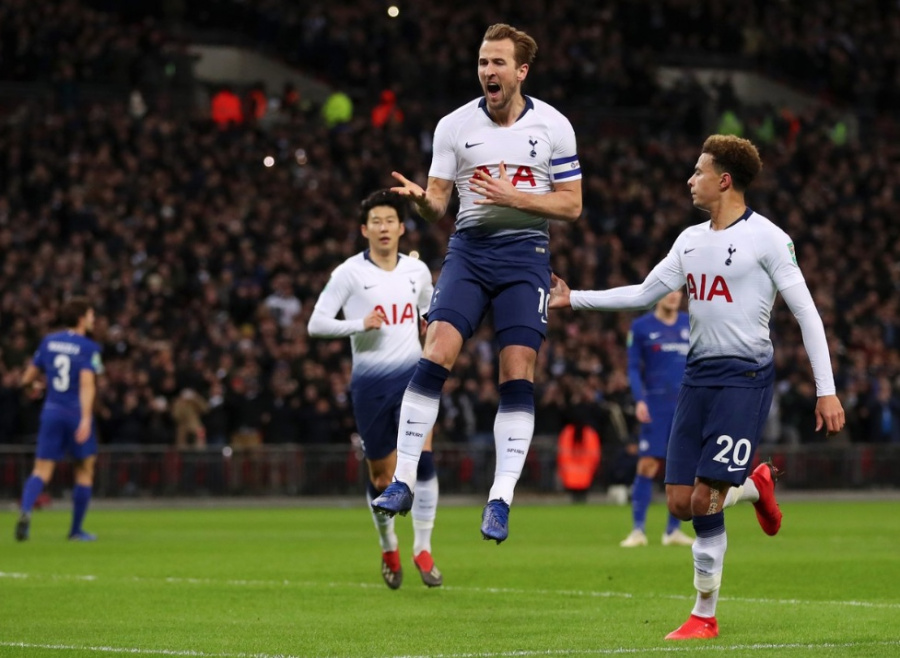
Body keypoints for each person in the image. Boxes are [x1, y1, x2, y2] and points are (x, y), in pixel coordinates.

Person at [549, 135, 844, 639]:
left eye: (698, 171)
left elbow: (807, 314)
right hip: (697, 377)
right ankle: (755, 487)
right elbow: (645, 292)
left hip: (744, 379)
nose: (690, 179)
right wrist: (575, 297)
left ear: (724, 180)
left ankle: (704, 615)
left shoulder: (769, 239)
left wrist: (827, 388)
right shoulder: (688, 240)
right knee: (683, 503)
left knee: (706, 499)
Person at [371, 23, 582, 544]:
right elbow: (441, 203)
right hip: (470, 252)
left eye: (498, 63)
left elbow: (572, 204)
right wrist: (422, 201)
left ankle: (501, 498)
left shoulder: (554, 126)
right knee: (435, 349)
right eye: (483, 62)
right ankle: (401, 481)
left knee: (518, 369)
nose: (488, 70)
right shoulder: (454, 126)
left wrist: (515, 197)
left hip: (525, 256)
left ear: (521, 71)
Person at [307, 189, 442, 589]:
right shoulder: (349, 273)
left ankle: (423, 547)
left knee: (423, 457)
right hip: (370, 385)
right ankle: (388, 545)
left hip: (415, 378)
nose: (383, 228)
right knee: (383, 479)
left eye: (390, 221)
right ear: (364, 230)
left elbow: (429, 310)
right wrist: (359, 324)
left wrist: (430, 325)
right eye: (376, 222)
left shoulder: (416, 272)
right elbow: (316, 324)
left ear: (402, 228)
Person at [15, 296, 104, 542]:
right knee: (84, 470)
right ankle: (75, 530)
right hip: (75, 413)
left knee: (41, 469)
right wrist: (86, 418)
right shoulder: (89, 347)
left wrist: (33, 386)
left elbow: (26, 380)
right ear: (80, 318)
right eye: (90, 315)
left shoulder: (48, 341)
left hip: (51, 411)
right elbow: (87, 384)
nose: (93, 319)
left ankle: (25, 512)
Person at [620, 290, 695, 548]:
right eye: (668, 291)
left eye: (678, 291)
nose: (674, 296)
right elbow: (632, 367)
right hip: (656, 405)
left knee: (685, 466)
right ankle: (638, 530)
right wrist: (640, 399)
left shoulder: (691, 322)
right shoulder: (641, 327)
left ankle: (672, 531)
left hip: (687, 403)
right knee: (648, 464)